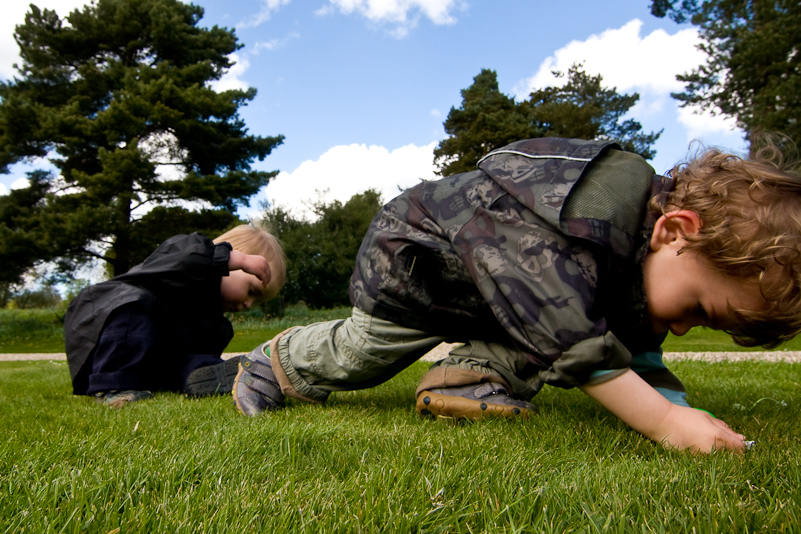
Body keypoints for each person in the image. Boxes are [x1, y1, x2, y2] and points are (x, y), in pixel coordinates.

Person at [232, 137, 801, 454]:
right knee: (363, 354)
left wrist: (681, 408)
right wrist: (666, 425)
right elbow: (574, 339)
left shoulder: (640, 262)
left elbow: (632, 348)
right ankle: (275, 363)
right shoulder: (593, 217)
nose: (683, 327)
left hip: (501, 291)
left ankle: (465, 375)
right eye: (701, 310)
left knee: (567, 330)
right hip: (419, 264)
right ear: (674, 231)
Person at [65, 224, 286, 408]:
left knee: (211, 336)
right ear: (231, 263)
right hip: (104, 325)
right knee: (136, 307)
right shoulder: (184, 261)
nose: (249, 304)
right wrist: (228, 257)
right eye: (251, 291)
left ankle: (206, 375)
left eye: (257, 302)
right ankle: (114, 384)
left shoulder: (211, 320)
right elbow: (187, 254)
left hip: (150, 355)